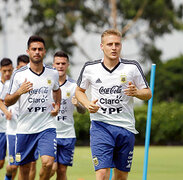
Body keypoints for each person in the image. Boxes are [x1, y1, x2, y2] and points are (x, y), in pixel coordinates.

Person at [75, 29, 152, 180]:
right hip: (100, 126)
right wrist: (87, 104)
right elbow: (78, 91)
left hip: (126, 127)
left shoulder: (132, 67)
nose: (114, 47)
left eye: (117, 44)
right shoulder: (90, 68)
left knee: (121, 176)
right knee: (102, 174)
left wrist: (137, 92)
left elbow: (148, 93)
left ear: (121, 46)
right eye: (110, 44)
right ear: (102, 46)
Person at [4, 35, 61, 180]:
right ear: (28, 51)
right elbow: (7, 101)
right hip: (25, 128)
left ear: (44, 52)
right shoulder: (18, 74)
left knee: (48, 163)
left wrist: (58, 105)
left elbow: (57, 90)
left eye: (40, 49)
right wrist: (19, 92)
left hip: (46, 126)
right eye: (34, 49)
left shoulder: (53, 73)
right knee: (24, 170)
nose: (37, 52)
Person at [51, 51, 85, 179]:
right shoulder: (48, 84)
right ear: (53, 65)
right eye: (58, 63)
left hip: (68, 134)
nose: (60, 66)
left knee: (62, 171)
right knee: (51, 167)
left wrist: (78, 105)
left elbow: (83, 111)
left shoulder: (74, 86)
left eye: (63, 63)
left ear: (68, 65)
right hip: (50, 133)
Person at [0, 58, 13, 174]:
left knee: (12, 164)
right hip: (0, 129)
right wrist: (6, 112)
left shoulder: (13, 84)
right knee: (0, 163)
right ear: (0, 70)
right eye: (5, 71)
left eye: (9, 70)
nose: (7, 73)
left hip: (11, 129)